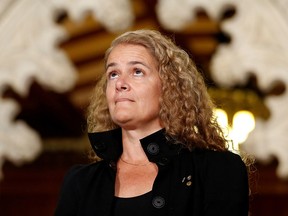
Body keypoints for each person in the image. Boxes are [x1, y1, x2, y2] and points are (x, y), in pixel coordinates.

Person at [55, 29, 249, 216]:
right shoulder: (80, 182)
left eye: (137, 71)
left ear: (169, 87)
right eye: (113, 73)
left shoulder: (219, 171)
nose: (119, 83)